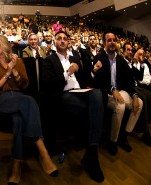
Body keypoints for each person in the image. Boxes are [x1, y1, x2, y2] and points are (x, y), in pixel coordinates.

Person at [0, 34, 58, 185]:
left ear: (3, 45)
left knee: (19, 119)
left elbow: (25, 84)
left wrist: (14, 71)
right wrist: (8, 72)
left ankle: (16, 164)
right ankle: (43, 151)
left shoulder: (18, 62)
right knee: (30, 100)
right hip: (2, 100)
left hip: (19, 98)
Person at [42, 31, 104, 183]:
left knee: (97, 93)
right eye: (59, 39)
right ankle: (92, 154)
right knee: (95, 107)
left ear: (68, 42)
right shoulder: (49, 60)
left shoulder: (75, 58)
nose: (62, 41)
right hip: (64, 94)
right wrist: (68, 72)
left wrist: (94, 70)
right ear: (55, 42)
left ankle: (91, 151)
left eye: (65, 39)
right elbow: (48, 84)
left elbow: (85, 79)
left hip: (80, 92)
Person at [92, 32, 143, 155]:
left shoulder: (120, 59)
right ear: (104, 43)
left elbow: (129, 80)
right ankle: (113, 141)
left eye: (114, 40)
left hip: (120, 92)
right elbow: (98, 81)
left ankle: (124, 135)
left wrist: (134, 95)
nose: (112, 42)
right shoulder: (99, 57)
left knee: (139, 103)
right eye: (109, 40)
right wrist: (111, 89)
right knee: (120, 107)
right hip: (106, 93)